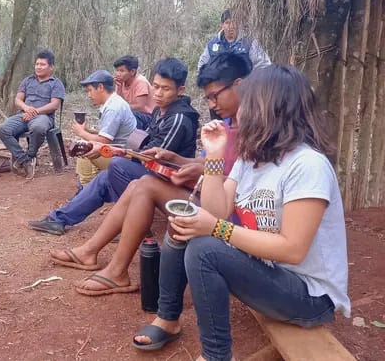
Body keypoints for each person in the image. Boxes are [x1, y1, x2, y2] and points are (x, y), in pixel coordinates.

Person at [132, 65, 350, 361]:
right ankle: (168, 319)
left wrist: (216, 229)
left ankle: (216, 357)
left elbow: (293, 249)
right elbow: (216, 211)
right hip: (271, 272)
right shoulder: (252, 158)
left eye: (247, 103)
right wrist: (214, 156)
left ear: (269, 109)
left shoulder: (307, 165)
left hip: (310, 295)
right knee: (186, 227)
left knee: (205, 248)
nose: (238, 111)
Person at [47, 52, 251, 297]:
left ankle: (116, 270)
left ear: (239, 85)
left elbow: (235, 180)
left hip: (224, 212)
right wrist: (179, 160)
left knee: (140, 182)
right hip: (207, 195)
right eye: (208, 97)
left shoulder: (251, 130)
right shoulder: (227, 125)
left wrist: (203, 172)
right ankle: (90, 251)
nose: (210, 104)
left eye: (214, 96)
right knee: (135, 184)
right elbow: (211, 164)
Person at [28, 58, 199, 235]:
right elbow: (143, 140)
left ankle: (137, 224)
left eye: (166, 89)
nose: (158, 93)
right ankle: (59, 219)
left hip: (170, 179)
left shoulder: (179, 118)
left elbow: (154, 157)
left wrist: (113, 151)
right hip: (152, 169)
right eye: (155, 87)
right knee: (106, 177)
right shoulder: (159, 111)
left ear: (180, 90)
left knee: (117, 166)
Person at [0, 49, 65, 179]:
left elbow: (54, 105)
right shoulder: (28, 81)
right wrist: (26, 108)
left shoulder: (56, 83)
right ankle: (25, 160)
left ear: (51, 67)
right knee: (2, 129)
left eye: (42, 64)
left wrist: (35, 111)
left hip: (44, 116)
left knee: (38, 127)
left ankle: (31, 154)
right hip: (24, 115)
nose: (38, 67)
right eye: (37, 64)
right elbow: (18, 100)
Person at [72, 70, 136, 186]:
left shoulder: (113, 108)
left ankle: (86, 188)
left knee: (83, 148)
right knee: (88, 143)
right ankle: (93, 182)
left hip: (124, 158)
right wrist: (87, 131)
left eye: (90, 90)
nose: (89, 95)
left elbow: (103, 141)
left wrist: (81, 133)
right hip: (120, 151)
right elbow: (107, 134)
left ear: (100, 87)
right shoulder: (113, 102)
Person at [198, 9, 271, 70]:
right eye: (227, 23)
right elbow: (201, 67)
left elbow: (264, 65)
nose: (231, 26)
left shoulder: (249, 43)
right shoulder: (212, 45)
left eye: (234, 22)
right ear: (222, 25)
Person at [113, 55, 155, 130]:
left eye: (122, 71)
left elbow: (140, 106)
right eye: (117, 70)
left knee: (131, 115)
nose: (118, 74)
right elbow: (118, 102)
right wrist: (118, 88)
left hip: (147, 117)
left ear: (132, 72)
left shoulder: (141, 82)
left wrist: (121, 108)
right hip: (131, 112)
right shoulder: (121, 82)